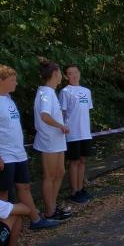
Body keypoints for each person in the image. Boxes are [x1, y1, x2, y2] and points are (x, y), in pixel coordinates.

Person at [0, 64, 59, 230]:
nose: (16, 83)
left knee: (24, 187)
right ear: (1, 80)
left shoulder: (8, 99)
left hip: (18, 153)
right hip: (2, 156)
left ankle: (36, 220)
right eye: (13, 80)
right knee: (2, 192)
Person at [34, 58, 71, 221]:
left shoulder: (49, 92)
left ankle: (53, 206)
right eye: (60, 73)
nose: (61, 76)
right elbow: (44, 115)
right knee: (50, 175)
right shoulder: (46, 93)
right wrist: (60, 125)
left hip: (56, 139)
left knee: (60, 172)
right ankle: (49, 211)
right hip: (49, 139)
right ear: (55, 74)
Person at [59, 64, 94, 203]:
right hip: (72, 133)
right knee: (74, 161)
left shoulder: (86, 91)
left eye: (75, 72)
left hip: (85, 132)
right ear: (66, 76)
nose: (73, 75)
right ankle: (74, 191)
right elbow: (62, 113)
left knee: (83, 160)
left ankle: (81, 188)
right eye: (70, 73)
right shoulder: (65, 92)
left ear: (79, 73)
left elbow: (86, 112)